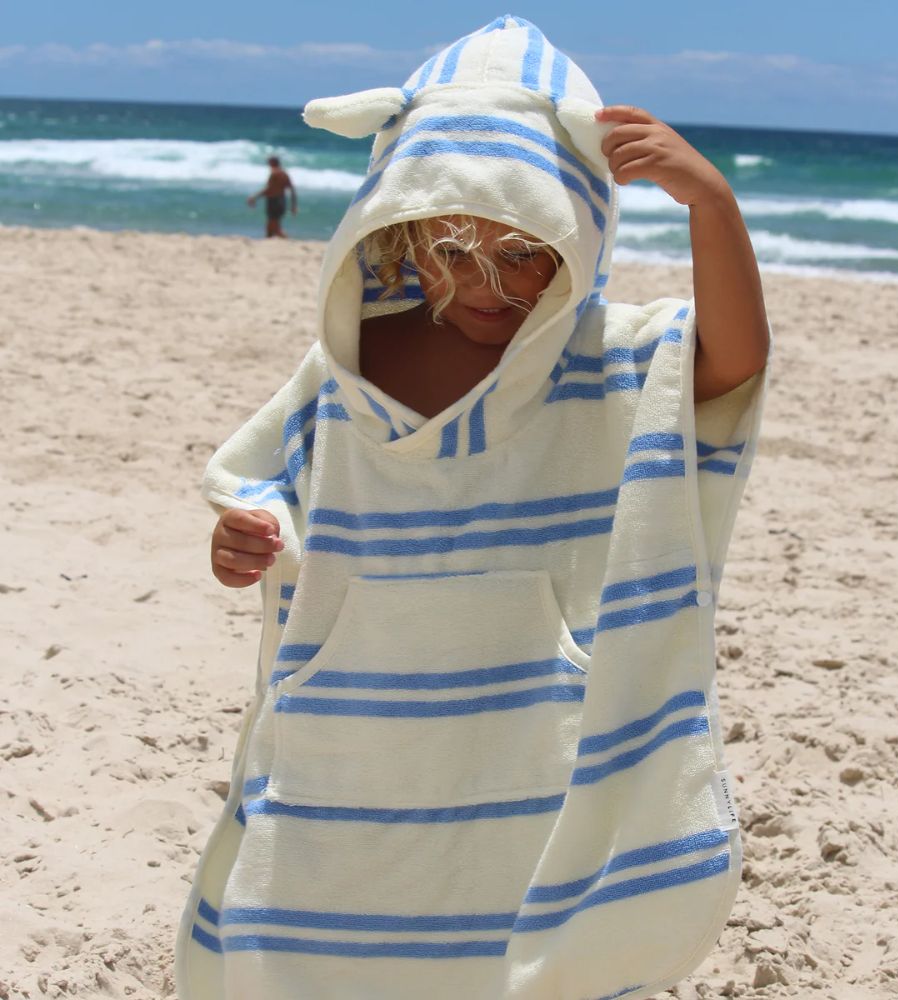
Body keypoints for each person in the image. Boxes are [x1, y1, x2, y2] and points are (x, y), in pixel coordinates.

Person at [177, 16, 769, 1000]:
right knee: (315, 932)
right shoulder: (341, 368)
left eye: (526, 253)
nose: (490, 284)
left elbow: (731, 364)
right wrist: (243, 540)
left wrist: (712, 203)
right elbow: (269, 490)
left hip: (525, 725)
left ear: (576, 236)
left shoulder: (605, 359)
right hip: (355, 722)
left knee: (504, 927)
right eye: (454, 249)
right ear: (399, 229)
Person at [247, 155, 297, 237]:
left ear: (272, 163)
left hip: (274, 201)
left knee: (275, 227)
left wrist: (254, 197)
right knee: (270, 227)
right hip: (281, 200)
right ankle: (268, 241)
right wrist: (294, 205)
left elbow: (269, 189)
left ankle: (286, 240)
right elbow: (292, 190)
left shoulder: (274, 174)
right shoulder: (284, 174)